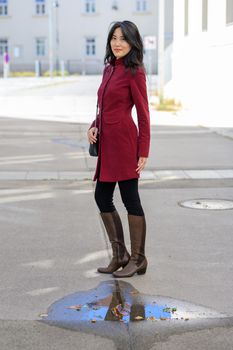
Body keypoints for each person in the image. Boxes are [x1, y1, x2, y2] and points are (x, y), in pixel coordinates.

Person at [87, 20, 150, 278]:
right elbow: (103, 105)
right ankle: (119, 254)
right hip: (107, 143)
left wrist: (143, 150)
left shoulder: (135, 72)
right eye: (114, 37)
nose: (117, 43)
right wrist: (94, 125)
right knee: (102, 197)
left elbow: (144, 114)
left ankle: (138, 258)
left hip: (124, 143)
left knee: (130, 199)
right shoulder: (108, 69)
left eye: (123, 38)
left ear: (132, 42)